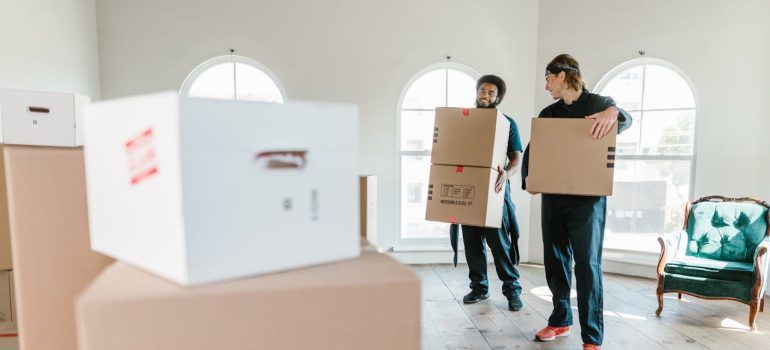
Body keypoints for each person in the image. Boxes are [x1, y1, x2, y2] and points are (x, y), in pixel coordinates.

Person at [521, 54, 632, 350]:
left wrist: (614, 112)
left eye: (548, 78)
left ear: (561, 75)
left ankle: (592, 337)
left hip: (587, 202)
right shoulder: (548, 113)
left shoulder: (599, 104)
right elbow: (534, 150)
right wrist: (529, 180)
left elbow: (626, 119)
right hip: (554, 199)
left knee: (587, 265)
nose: (546, 86)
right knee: (555, 261)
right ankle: (560, 320)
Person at [449, 74, 524, 312]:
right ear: (477, 91)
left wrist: (507, 174)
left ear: (498, 97)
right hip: (468, 188)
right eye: (483, 91)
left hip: (494, 189)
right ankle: (479, 288)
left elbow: (516, 158)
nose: (486, 95)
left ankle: (512, 290)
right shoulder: (464, 120)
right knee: (472, 243)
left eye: (491, 93)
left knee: (500, 243)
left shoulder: (507, 123)